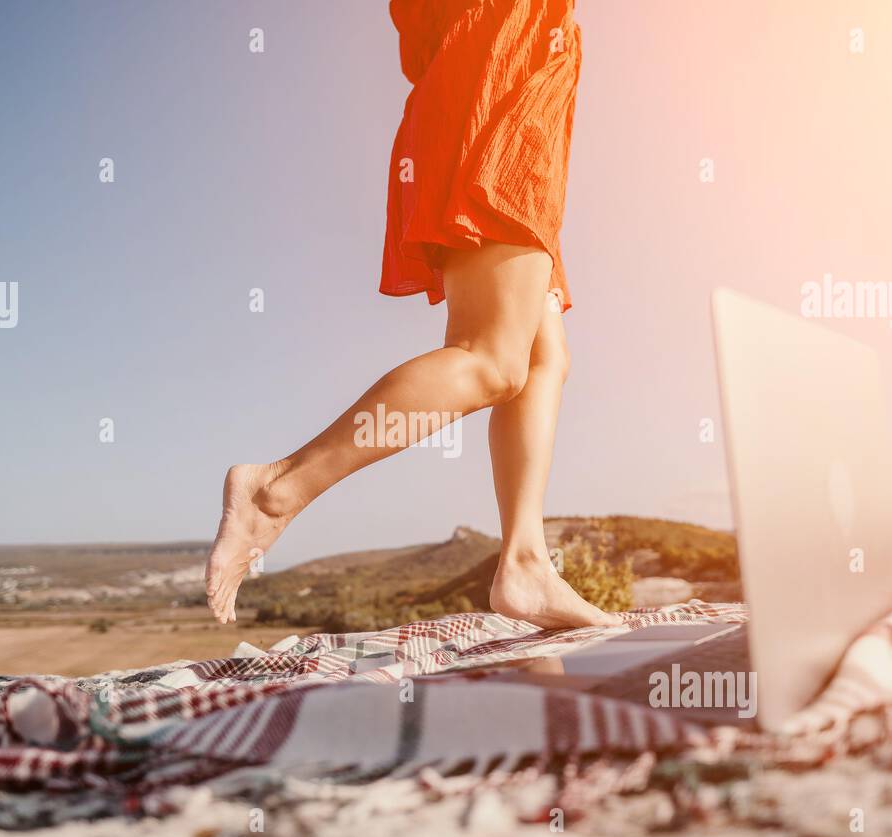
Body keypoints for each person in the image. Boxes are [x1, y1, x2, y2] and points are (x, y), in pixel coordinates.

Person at [207, 0, 620, 630]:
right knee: (492, 359)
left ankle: (526, 563)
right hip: (499, 85)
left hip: (517, 84)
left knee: (542, 357)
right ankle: (277, 488)